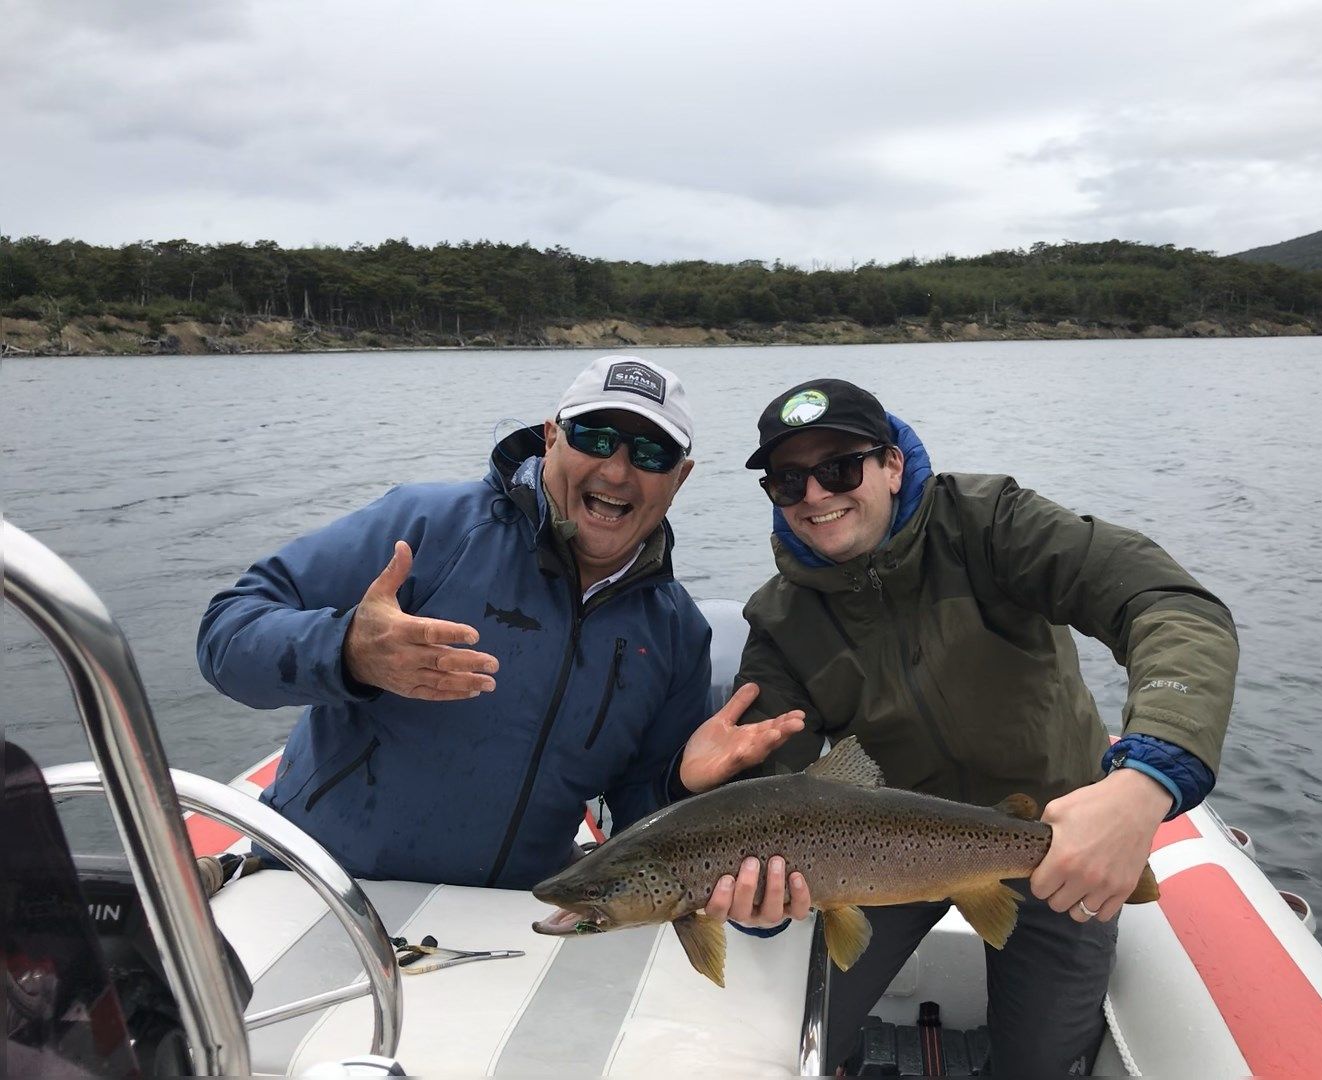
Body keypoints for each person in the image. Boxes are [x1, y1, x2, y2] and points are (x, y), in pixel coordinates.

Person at [724, 378, 1238, 1076]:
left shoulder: (992, 525)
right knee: (784, 1038)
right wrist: (744, 868)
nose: (815, 494)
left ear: (892, 464)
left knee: (1040, 1062)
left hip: (1052, 837)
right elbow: (771, 777)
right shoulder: (779, 620)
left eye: (839, 468)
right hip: (877, 853)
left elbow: (1167, 604)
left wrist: (1147, 779)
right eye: (789, 481)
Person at [195, 355, 802, 890]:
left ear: (680, 477)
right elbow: (226, 632)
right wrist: (346, 650)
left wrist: (681, 787)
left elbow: (638, 819)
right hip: (320, 881)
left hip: (514, 916)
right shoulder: (428, 528)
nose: (617, 472)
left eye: (651, 454)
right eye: (594, 437)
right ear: (551, 437)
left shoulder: (677, 634)